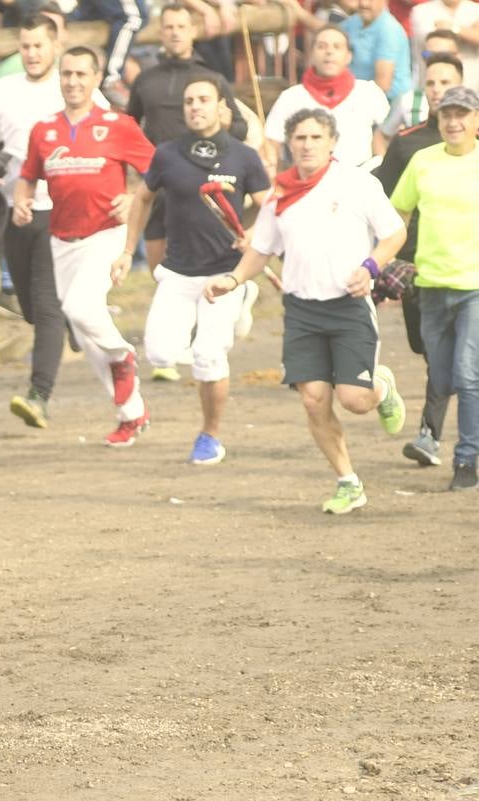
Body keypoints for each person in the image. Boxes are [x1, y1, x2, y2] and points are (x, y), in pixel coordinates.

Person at [206, 108, 408, 514]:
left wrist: (370, 267)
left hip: (349, 307)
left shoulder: (356, 183)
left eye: (316, 137)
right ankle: (348, 481)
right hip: (301, 310)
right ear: (290, 144)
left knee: (353, 400)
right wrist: (232, 280)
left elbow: (394, 232)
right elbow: (261, 251)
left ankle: (381, 388)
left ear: (332, 142)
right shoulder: (279, 195)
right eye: (300, 138)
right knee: (314, 400)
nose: (308, 145)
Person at [113, 76, 272, 464]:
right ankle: (233, 313)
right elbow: (143, 199)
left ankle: (210, 436)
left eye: (203, 99)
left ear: (222, 107)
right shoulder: (166, 155)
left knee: (208, 355)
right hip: (178, 273)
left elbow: (270, 206)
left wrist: (252, 234)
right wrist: (125, 250)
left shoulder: (244, 157)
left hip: (225, 275)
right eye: (189, 101)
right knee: (162, 355)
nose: (195, 106)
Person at [14, 46, 155, 448]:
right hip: (62, 238)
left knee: (80, 309)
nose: (73, 82)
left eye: (81, 74)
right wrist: (22, 201)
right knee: (84, 330)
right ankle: (131, 414)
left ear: (96, 79)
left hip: (107, 233)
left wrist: (131, 196)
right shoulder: (44, 130)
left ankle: (124, 353)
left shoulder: (118, 124)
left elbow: (155, 172)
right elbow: (28, 176)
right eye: (67, 74)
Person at [0, 16, 92, 429]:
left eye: (38, 46)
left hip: (62, 209)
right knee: (33, 309)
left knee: (46, 304)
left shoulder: (71, 86)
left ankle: (39, 395)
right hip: (15, 208)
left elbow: (101, 132)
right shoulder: (2, 90)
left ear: (55, 45)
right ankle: (72, 319)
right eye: (25, 46)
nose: (32, 54)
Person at [374, 52, 463, 465]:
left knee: (464, 360)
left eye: (445, 82)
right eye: (430, 83)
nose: (436, 90)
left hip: (470, 271)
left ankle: (435, 436)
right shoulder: (408, 144)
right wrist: (387, 260)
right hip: (418, 269)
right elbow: (384, 203)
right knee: (428, 350)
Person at [390, 85, 479, 490]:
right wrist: (389, 259)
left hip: (474, 288)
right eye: (446, 115)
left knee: (466, 373)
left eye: (462, 114)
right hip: (429, 286)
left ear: (476, 120)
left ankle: (466, 460)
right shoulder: (422, 161)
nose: (454, 122)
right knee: (441, 376)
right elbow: (399, 212)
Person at [125, 3, 247, 275]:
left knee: (209, 271)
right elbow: (128, 127)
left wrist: (226, 125)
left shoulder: (211, 78)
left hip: (203, 182)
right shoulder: (145, 80)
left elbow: (241, 129)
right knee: (161, 275)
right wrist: (139, 166)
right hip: (159, 181)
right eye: (169, 27)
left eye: (181, 27)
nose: (175, 33)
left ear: (193, 30)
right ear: (160, 32)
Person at [265, 26, 392, 171]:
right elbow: (271, 144)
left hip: (361, 177)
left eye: (337, 47)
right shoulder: (291, 97)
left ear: (348, 56)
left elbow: (389, 135)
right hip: (307, 182)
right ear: (311, 54)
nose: (329, 52)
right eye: (321, 46)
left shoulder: (368, 92)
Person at [381, 29, 462, 137]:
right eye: (428, 55)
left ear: (458, 57)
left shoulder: (474, 101)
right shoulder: (408, 100)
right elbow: (382, 137)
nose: (434, 60)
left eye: (443, 55)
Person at [341, 0, 414, 104]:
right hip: (355, 95)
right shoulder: (355, 21)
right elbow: (329, 33)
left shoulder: (389, 30)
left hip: (389, 103)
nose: (364, 4)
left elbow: (382, 85)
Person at [410, 0, 479, 88]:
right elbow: (438, 43)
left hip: (472, 85)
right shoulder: (421, 11)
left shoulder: (476, 9)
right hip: (433, 86)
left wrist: (452, 27)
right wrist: (469, 32)